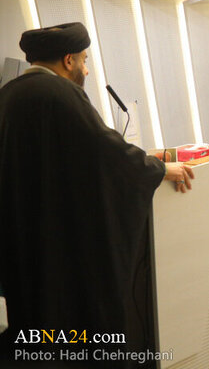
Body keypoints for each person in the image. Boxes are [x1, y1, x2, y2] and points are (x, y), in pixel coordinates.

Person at [0, 22, 197, 361]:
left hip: (20, 238)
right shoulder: (62, 93)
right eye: (84, 60)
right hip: (61, 248)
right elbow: (108, 154)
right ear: (68, 60)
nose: (86, 69)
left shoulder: (7, 94)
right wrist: (162, 168)